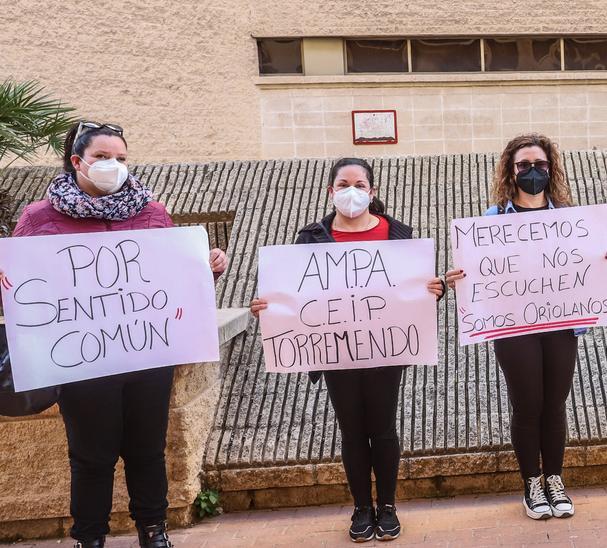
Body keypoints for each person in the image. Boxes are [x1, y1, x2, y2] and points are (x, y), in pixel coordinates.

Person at [3, 121, 229, 548]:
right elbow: (20, 288)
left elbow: (174, 286)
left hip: (146, 357)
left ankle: (154, 530)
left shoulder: (153, 213)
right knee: (92, 457)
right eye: (103, 157)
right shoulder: (40, 217)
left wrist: (209, 268)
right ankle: (90, 537)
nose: (114, 166)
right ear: (77, 162)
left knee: (147, 450)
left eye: (121, 158)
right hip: (82, 362)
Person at [250, 158, 444, 542]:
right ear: (331, 191)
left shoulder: (398, 234)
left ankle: (387, 506)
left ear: (372, 192)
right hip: (334, 351)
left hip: (386, 349)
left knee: (383, 429)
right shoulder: (311, 237)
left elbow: (418, 291)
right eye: (343, 184)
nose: (351, 191)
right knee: (352, 430)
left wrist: (437, 291)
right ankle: (361, 508)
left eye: (359, 184)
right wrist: (267, 307)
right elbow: (293, 292)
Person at [444, 134, 607, 520]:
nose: (532, 172)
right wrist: (457, 277)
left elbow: (589, 261)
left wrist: (605, 256)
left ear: (551, 169)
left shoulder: (570, 218)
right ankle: (532, 483)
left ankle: (555, 480)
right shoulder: (491, 221)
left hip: (562, 325)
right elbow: (476, 271)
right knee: (528, 405)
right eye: (523, 165)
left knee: (555, 404)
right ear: (511, 171)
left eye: (539, 165)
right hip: (513, 328)